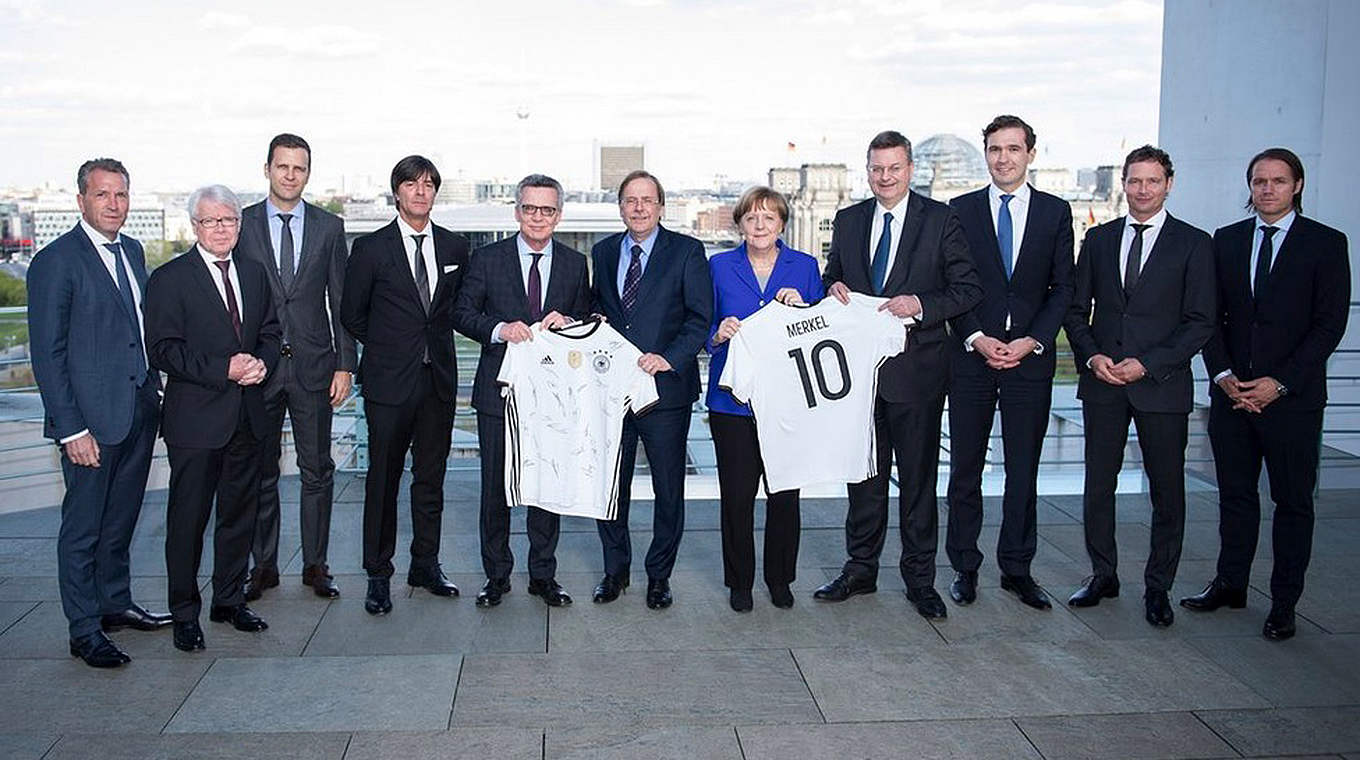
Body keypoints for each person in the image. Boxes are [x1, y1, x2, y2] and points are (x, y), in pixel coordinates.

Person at [1181, 148, 1350, 640]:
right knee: (1235, 497)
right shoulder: (1227, 241)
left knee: (1292, 503)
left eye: (1278, 181)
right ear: (1249, 186)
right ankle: (1231, 583)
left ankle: (1283, 602)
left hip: (1292, 402)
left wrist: (1280, 383)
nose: (1268, 189)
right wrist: (1223, 375)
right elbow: (1210, 317)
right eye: (1259, 181)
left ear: (1297, 185)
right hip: (1233, 397)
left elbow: (1328, 326)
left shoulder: (1326, 243)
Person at [816, 130, 983, 619]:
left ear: (910, 169)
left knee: (916, 483)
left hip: (919, 373)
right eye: (876, 168)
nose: (884, 177)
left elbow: (967, 289)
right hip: (860, 378)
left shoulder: (941, 219)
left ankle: (919, 580)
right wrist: (835, 288)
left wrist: (921, 306)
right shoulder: (848, 221)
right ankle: (860, 570)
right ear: (866, 170)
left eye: (893, 168)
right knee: (863, 479)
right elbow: (832, 276)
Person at [1062, 145, 1215, 628]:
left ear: (1169, 183)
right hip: (1104, 382)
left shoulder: (1194, 243)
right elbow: (1074, 309)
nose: (1142, 190)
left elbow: (1200, 322)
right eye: (1134, 181)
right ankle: (1102, 574)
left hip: (1161, 385)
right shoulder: (1100, 238)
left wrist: (1146, 365)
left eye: (1152, 181)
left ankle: (1158, 587)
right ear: (1123, 184)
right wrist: (1092, 355)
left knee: (1167, 491)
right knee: (1097, 487)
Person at [27, 158, 170, 668]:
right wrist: (71, 430)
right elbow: (48, 354)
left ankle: (114, 602)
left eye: (122, 195)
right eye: (103, 195)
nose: (115, 204)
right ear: (81, 200)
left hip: (136, 411)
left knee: (121, 519)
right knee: (84, 527)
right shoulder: (55, 261)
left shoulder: (131, 251)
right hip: (90, 423)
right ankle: (84, 629)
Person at [945, 116, 1074, 611]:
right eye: (995, 149)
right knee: (965, 470)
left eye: (1013, 149)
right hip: (972, 360)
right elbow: (955, 283)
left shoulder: (1055, 212)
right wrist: (976, 336)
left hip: (1030, 362)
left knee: (1023, 471)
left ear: (1031, 154)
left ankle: (1017, 568)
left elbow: (1063, 287)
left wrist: (1033, 341)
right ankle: (964, 566)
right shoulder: (961, 210)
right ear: (986, 154)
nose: (1003, 158)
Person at [144, 184, 282, 651]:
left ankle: (228, 600)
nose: (221, 229)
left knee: (239, 516)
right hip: (195, 423)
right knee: (187, 521)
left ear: (240, 226)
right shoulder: (170, 279)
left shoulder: (255, 273)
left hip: (247, 415)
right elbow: (163, 349)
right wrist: (224, 369)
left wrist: (263, 363)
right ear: (194, 226)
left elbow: (269, 332)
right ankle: (185, 613)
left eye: (229, 220)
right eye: (211, 221)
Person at [452, 173, 591, 609]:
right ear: (517, 211)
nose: (537, 217)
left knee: (547, 484)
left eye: (546, 210)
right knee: (495, 489)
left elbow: (588, 322)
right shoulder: (488, 259)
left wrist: (569, 325)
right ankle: (496, 576)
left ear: (559, 215)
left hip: (552, 395)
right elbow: (462, 313)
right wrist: (499, 329)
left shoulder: (573, 263)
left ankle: (543, 575)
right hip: (500, 393)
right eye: (529, 208)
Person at [340, 155, 469, 616]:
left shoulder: (455, 248)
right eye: (412, 184)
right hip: (389, 385)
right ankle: (379, 573)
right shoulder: (372, 249)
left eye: (430, 184)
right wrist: (391, 347)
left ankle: (425, 564)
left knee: (430, 480)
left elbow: (455, 310)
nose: (421, 191)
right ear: (396, 192)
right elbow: (352, 314)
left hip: (437, 382)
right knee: (383, 480)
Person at [237, 133, 355, 601]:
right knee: (260, 469)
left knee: (316, 470)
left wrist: (345, 365)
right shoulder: (241, 224)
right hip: (260, 370)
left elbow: (340, 300)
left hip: (314, 368)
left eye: (299, 168)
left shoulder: (329, 227)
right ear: (266, 169)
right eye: (282, 166)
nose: (290, 175)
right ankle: (262, 566)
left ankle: (315, 565)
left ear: (308, 173)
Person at [590, 170, 713, 609]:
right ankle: (614, 571)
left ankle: (659, 576)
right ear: (620, 207)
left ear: (661, 206)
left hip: (665, 391)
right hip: (612, 393)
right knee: (611, 487)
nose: (638, 207)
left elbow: (700, 317)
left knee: (668, 489)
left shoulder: (687, 251)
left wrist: (671, 358)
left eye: (647, 200)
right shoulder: (604, 252)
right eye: (630, 200)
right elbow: (598, 309)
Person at [705, 186, 823, 612]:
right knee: (736, 498)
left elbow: (820, 329)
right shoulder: (718, 266)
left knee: (784, 495)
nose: (759, 225)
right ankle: (740, 582)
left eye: (769, 218)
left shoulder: (805, 267)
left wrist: (804, 308)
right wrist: (717, 334)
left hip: (787, 403)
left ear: (782, 225)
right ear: (739, 224)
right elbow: (702, 323)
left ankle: (779, 579)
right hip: (731, 403)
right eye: (751, 218)